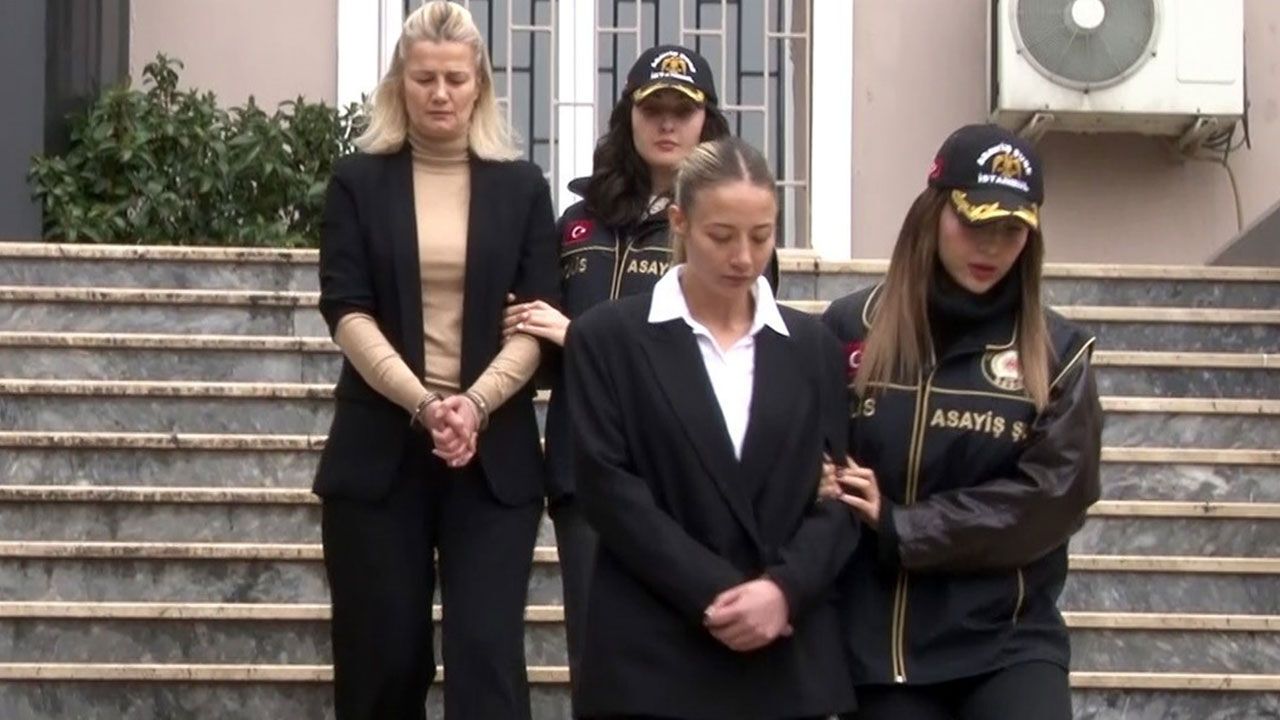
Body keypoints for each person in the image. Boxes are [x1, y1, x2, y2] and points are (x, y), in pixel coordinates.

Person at [501, 43, 777, 694]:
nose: (667, 124)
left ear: (708, 121)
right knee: (596, 662)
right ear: (628, 115)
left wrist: (580, 335)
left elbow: (736, 351)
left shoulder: (731, 230)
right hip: (586, 471)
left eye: (683, 111)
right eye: (653, 109)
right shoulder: (577, 222)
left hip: (688, 475)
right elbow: (542, 343)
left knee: (687, 662)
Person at [313, 3, 559, 718]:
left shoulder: (522, 186)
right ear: (400, 85)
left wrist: (474, 405)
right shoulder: (358, 181)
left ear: (480, 85)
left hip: (494, 457)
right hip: (379, 451)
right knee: (383, 657)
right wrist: (424, 404)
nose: (441, 94)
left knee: (487, 660)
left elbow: (537, 317)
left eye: (456, 78)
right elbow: (347, 310)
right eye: (425, 79)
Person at [563, 137, 858, 720]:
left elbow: (838, 494)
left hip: (783, 656)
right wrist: (717, 594)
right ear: (680, 222)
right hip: (652, 653)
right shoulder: (606, 338)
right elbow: (607, 488)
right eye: (721, 236)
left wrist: (783, 590)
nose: (743, 258)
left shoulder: (812, 347)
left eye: (761, 236)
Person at [821, 123, 1103, 720]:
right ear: (934, 212)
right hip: (882, 645)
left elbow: (1053, 499)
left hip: (1009, 640)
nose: (991, 247)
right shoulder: (848, 328)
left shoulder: (1059, 352)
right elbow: (806, 455)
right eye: (976, 223)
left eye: (1011, 230)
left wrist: (904, 525)